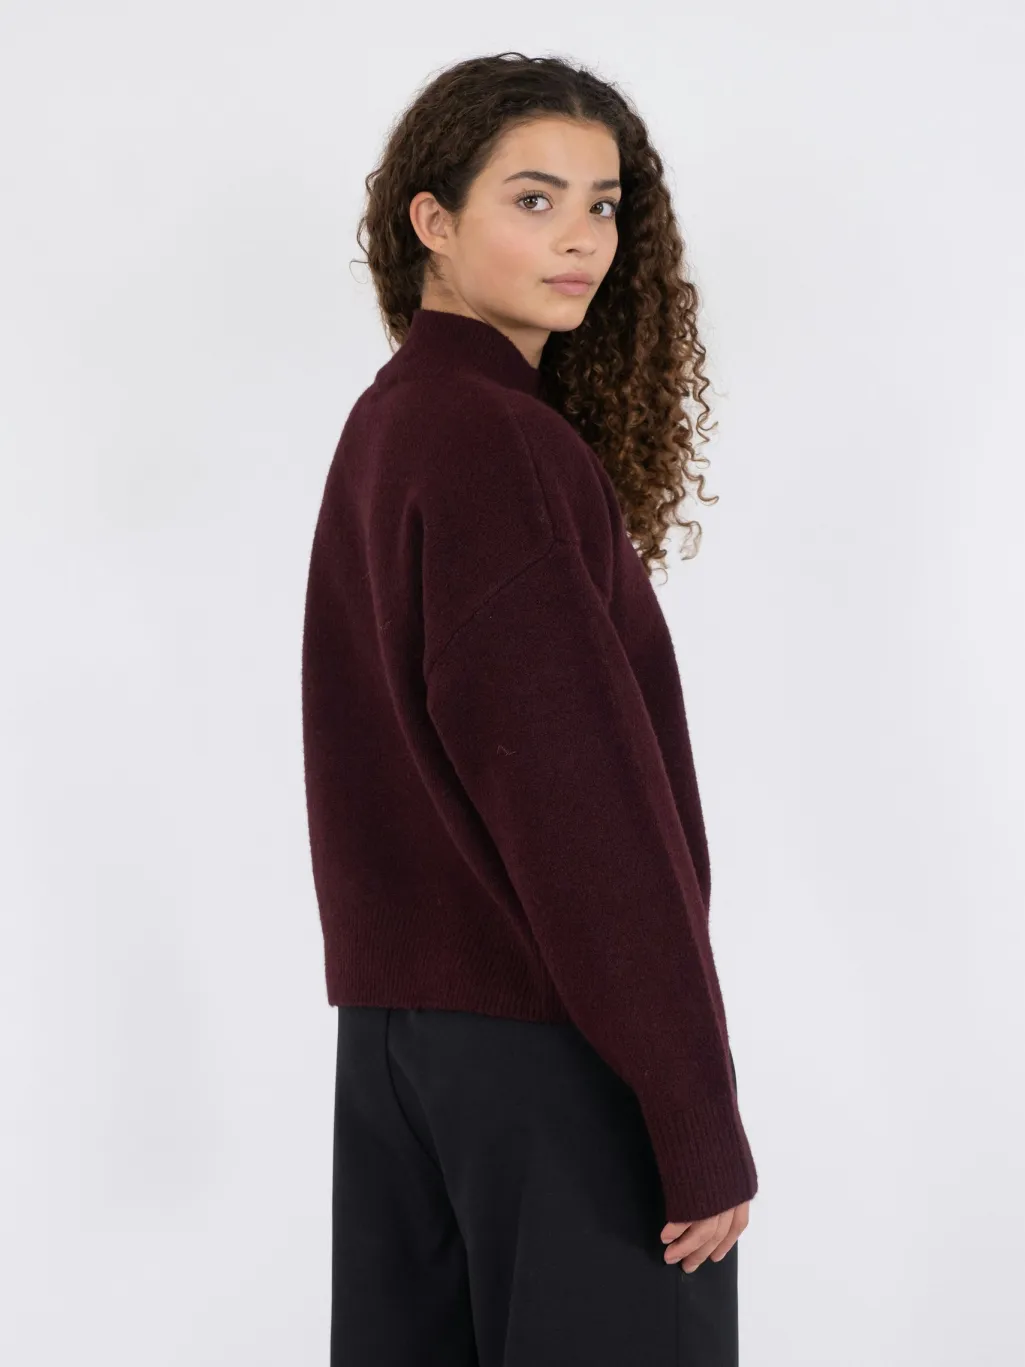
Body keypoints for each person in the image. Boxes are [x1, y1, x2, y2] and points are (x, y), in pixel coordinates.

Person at [301, 50, 758, 1366]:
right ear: (432, 222)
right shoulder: (498, 439)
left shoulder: (394, 420)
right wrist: (690, 1107)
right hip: (554, 1050)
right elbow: (579, 804)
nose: (582, 239)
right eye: (534, 198)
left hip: (399, 1051)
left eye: (604, 205)